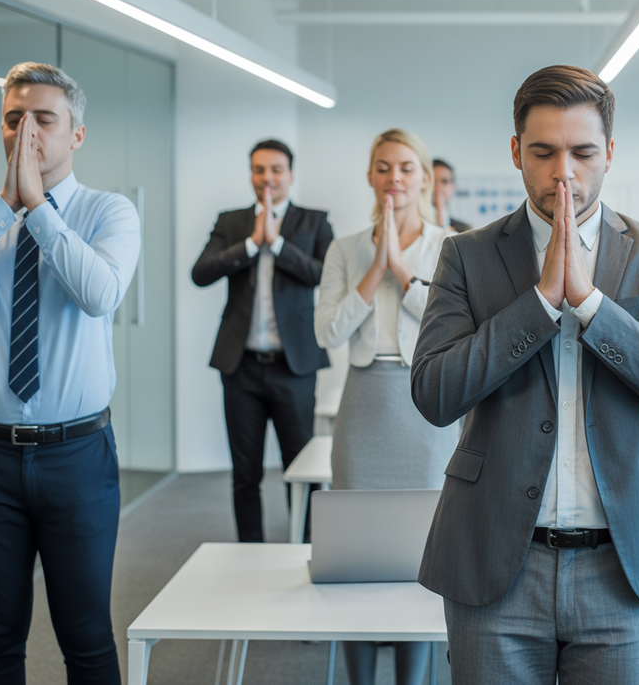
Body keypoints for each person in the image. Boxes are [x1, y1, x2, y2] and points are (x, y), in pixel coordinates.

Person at [410, 65, 639, 685]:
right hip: (495, 563)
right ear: (517, 151)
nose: (563, 174)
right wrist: (541, 304)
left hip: (626, 566)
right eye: (544, 152)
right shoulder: (466, 255)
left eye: (582, 152)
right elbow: (436, 394)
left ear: (609, 153)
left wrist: (593, 308)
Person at [0, 62, 140, 684]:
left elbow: (99, 294)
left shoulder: (108, 212)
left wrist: (38, 210)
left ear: (77, 134)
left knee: (88, 635)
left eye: (45, 118)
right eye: (15, 119)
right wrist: (5, 208)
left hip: (77, 456)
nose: (28, 132)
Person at [315, 128, 458, 685]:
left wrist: (402, 269)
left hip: (424, 404)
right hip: (364, 402)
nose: (394, 178)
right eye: (383, 167)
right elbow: (328, 332)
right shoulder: (344, 248)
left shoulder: (450, 246)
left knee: (418, 552)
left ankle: (411, 678)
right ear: (371, 177)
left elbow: (454, 327)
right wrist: (375, 266)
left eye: (405, 167)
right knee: (356, 549)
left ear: (423, 177)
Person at [192, 139, 333, 543]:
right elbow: (201, 273)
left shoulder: (313, 221)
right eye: (259, 170)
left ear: (290, 174)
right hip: (241, 368)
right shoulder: (232, 222)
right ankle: (248, 554)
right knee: (245, 472)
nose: (266, 178)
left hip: (295, 367)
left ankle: (307, 551)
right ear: (251, 174)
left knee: (301, 469)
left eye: (275, 170)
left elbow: (324, 274)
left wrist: (279, 244)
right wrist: (253, 243)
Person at [432, 158, 472, 232]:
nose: (438, 188)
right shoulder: (412, 226)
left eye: (445, 181)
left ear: (454, 187)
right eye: (433, 181)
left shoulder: (465, 230)